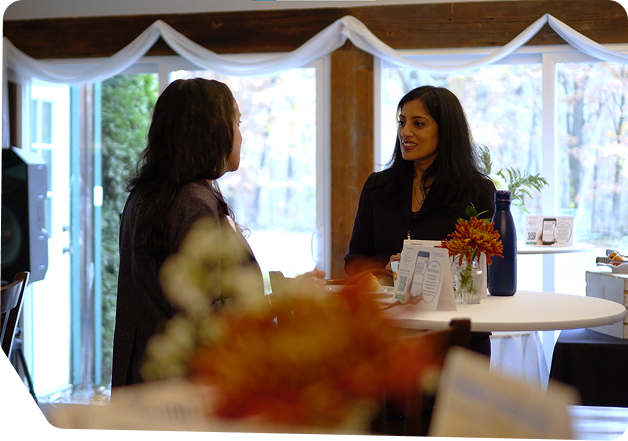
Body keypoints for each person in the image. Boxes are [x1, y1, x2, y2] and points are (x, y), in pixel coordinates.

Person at [112, 78, 324, 388]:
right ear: (211, 131)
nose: (241, 136)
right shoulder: (193, 203)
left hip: (148, 380)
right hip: (186, 393)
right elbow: (208, 321)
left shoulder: (147, 195)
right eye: (237, 124)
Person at [344, 85, 495, 357]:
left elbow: (485, 271)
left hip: (456, 341)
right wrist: (384, 271)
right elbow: (354, 261)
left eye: (418, 123)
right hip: (388, 340)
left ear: (445, 131)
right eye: (402, 122)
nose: (405, 132)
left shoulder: (478, 192)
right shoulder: (377, 187)